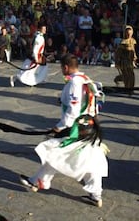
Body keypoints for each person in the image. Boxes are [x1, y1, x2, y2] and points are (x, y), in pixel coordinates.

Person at [19, 54, 108, 208]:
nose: (61, 70)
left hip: (75, 128)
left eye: (61, 68)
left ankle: (37, 181)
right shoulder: (86, 79)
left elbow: (73, 110)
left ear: (65, 67)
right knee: (90, 160)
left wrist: (59, 126)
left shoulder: (74, 83)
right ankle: (96, 195)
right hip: (90, 127)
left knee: (54, 152)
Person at [114, 25, 137, 94]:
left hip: (130, 61)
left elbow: (133, 50)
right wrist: (117, 62)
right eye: (127, 33)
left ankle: (131, 88)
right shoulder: (123, 42)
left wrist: (134, 57)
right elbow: (118, 53)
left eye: (130, 33)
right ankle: (127, 89)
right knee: (126, 76)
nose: (128, 34)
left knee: (131, 75)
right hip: (123, 61)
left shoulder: (133, 41)